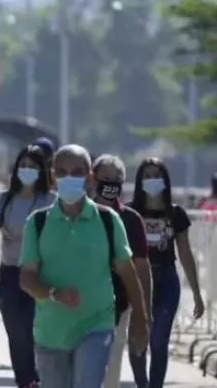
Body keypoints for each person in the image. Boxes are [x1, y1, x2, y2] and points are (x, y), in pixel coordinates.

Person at [19, 144, 149, 388]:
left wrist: (141, 320)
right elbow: (27, 278)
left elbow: (129, 273)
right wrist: (53, 293)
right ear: (52, 177)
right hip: (51, 332)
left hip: (96, 325)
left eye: (78, 172)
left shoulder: (109, 221)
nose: (70, 178)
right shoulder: (37, 223)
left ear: (90, 178)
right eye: (62, 172)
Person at [127, 157, 205, 388]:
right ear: (140, 181)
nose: (152, 180)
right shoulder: (131, 213)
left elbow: (185, 254)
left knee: (159, 341)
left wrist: (198, 294)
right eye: (147, 176)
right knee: (138, 339)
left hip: (167, 279)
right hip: (138, 279)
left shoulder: (176, 214)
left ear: (165, 180)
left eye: (157, 175)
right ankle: (142, 383)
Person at [0, 145, 55, 388]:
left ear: (41, 171)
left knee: (39, 331)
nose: (27, 171)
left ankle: (42, 377)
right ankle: (25, 381)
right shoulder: (3, 199)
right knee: (17, 333)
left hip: (42, 275)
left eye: (32, 167)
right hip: (10, 274)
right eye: (23, 166)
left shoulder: (51, 201)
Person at [90, 154, 152, 388]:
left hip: (118, 306)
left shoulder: (131, 220)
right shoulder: (74, 215)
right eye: (104, 178)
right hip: (78, 306)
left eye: (115, 179)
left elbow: (141, 267)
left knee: (110, 369)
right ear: (93, 179)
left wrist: (142, 313)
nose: (110, 183)